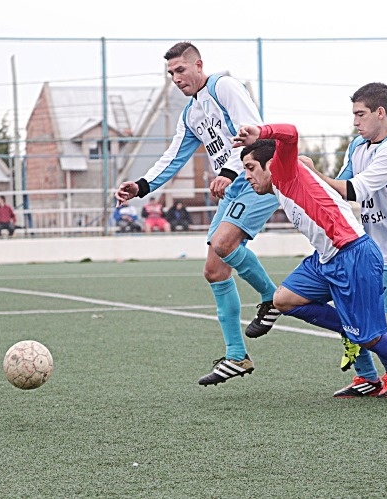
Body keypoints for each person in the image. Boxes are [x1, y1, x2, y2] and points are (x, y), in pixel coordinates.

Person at [114, 42, 281, 386]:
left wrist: (232, 172)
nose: (176, 78)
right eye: (170, 74)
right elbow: (174, 155)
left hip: (259, 178)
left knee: (223, 243)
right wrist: (142, 185)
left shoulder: (224, 86)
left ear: (198, 65)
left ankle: (271, 298)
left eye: (180, 70)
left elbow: (254, 132)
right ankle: (237, 356)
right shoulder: (190, 113)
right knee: (214, 270)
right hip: (234, 186)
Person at [234, 122, 387, 402]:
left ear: (271, 163)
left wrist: (262, 132)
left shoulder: (284, 169)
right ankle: (350, 331)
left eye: (250, 167)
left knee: (369, 335)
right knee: (283, 300)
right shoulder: (282, 181)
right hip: (326, 259)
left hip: (353, 255)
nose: (246, 176)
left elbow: (291, 132)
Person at [305, 82, 387, 398]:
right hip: (369, 247)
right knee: (350, 304)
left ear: (380, 112)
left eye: (360, 114)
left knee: (366, 313)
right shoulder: (357, 146)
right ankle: (366, 377)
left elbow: (353, 190)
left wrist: (309, 171)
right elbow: (339, 187)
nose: (355, 121)